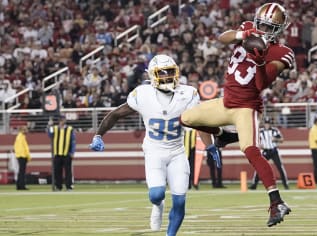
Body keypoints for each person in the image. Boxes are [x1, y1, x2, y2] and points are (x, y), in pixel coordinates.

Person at [180, 2, 293, 227]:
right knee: (187, 118)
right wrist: (245, 33)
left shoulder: (283, 53)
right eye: (261, 25)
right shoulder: (249, 28)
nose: (263, 30)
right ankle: (227, 135)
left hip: (246, 107)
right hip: (226, 102)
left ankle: (276, 201)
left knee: (250, 151)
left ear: (279, 30)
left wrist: (261, 61)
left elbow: (261, 84)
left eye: (269, 28)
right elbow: (223, 37)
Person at [89, 55, 219, 236]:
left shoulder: (188, 93)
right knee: (156, 195)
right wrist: (98, 135)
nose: (167, 77)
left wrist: (209, 146)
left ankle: (170, 234)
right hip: (154, 151)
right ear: (152, 75)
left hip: (177, 151)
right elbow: (116, 114)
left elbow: (199, 122)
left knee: (180, 201)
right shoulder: (143, 94)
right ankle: (158, 207)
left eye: (170, 72)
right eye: (162, 73)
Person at [249, 117, 289, 190]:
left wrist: (276, 139)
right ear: (264, 124)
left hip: (274, 151)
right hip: (265, 151)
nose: (267, 125)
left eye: (268, 123)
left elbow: (282, 140)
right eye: (266, 123)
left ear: (270, 124)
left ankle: (285, 184)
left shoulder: (275, 130)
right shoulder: (260, 131)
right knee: (259, 167)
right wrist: (259, 145)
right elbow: (255, 140)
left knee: (280, 167)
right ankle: (254, 184)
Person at [47, 115, 76, 191]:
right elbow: (50, 134)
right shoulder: (55, 128)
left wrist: (72, 152)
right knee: (57, 171)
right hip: (57, 153)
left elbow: (73, 141)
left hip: (67, 153)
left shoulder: (70, 129)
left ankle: (68, 186)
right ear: (59, 121)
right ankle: (58, 186)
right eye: (61, 120)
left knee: (68, 171)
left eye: (63, 120)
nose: (62, 121)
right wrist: (49, 125)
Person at [14, 126, 31, 190]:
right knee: (22, 172)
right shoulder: (21, 137)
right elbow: (24, 148)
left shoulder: (20, 137)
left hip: (20, 156)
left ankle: (19, 185)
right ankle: (22, 186)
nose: (27, 131)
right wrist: (27, 156)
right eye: (26, 130)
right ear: (22, 130)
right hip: (22, 156)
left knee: (21, 171)